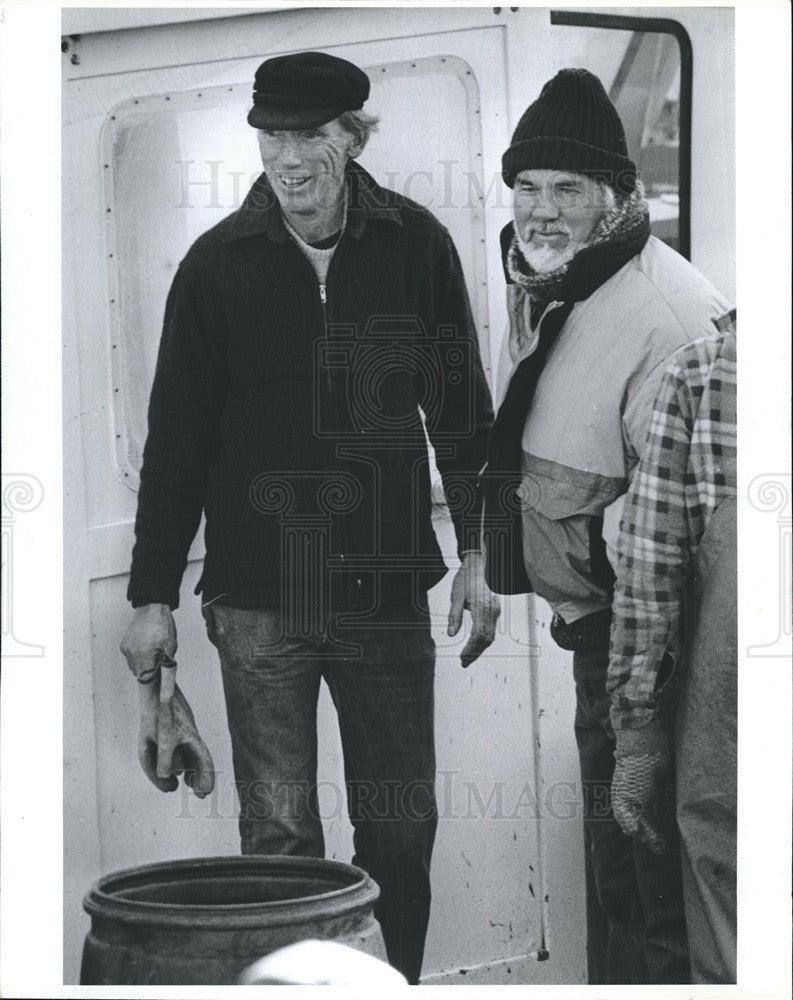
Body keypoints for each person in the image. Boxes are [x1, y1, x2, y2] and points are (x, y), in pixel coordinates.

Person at [120, 51, 498, 985]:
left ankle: (387, 984)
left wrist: (485, 554)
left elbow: (461, 415)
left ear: (351, 137)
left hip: (381, 590)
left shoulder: (414, 245)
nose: (286, 157)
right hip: (256, 599)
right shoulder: (215, 265)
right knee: (282, 841)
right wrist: (150, 596)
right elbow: (176, 443)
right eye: (271, 135)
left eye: (308, 136)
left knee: (399, 831)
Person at [482, 67, 732, 984]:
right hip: (598, 640)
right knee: (617, 877)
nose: (539, 211)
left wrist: (639, 722)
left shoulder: (671, 322)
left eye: (566, 190)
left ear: (618, 198)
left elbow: (681, 552)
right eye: (526, 187)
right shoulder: (561, 283)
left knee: (655, 880)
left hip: (654, 663)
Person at [608, 312, 737, 983]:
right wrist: (637, 737)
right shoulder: (703, 373)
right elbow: (650, 575)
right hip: (730, 743)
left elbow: (649, 576)